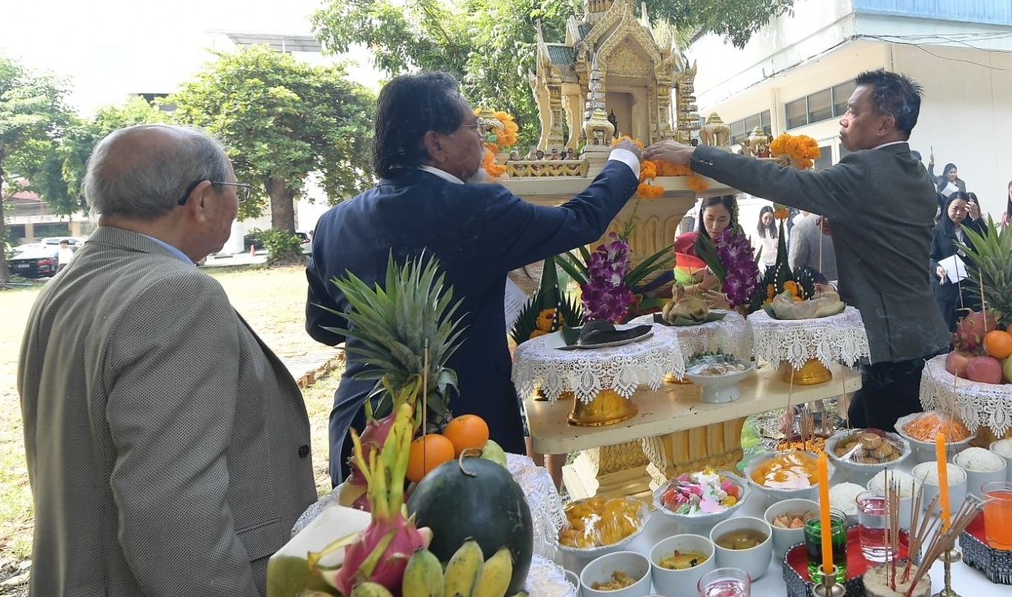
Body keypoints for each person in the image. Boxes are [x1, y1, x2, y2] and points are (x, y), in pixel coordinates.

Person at [18, 124, 316, 597]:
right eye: (234, 190)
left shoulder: (69, 285)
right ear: (202, 200)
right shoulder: (176, 294)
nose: (236, 203)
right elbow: (170, 498)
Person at [308, 71, 640, 479]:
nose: (483, 140)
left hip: (364, 432)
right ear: (436, 144)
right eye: (474, 128)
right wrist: (624, 160)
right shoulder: (476, 208)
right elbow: (580, 220)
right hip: (462, 433)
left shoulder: (332, 223)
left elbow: (322, 327)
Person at [645, 69, 951, 430]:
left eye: (854, 111)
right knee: (896, 437)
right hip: (926, 336)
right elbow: (892, 235)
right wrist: (849, 223)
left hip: (892, 350)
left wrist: (696, 155)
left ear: (885, 124)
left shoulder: (865, 170)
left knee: (887, 450)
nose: (844, 119)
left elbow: (780, 181)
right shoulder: (914, 169)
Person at [931, 195, 984, 329]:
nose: (959, 213)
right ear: (947, 208)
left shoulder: (973, 228)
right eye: (955, 209)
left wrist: (976, 218)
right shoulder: (938, 231)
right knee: (949, 331)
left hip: (971, 289)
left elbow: (986, 243)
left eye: (963, 209)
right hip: (948, 291)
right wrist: (937, 268)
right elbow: (931, 257)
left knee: (974, 331)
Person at [675, 194, 737, 286]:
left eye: (722, 220)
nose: (715, 226)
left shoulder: (738, 249)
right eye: (710, 218)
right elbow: (668, 287)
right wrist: (703, 286)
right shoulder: (684, 243)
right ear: (702, 214)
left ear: (731, 218)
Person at [790, 210, 839, 284]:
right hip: (844, 285)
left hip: (816, 286)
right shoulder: (842, 221)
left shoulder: (800, 228)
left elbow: (795, 266)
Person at [751, 204, 780, 271]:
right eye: (766, 218)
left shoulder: (776, 231)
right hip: (761, 263)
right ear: (761, 217)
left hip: (774, 262)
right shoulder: (755, 231)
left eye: (770, 218)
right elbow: (752, 248)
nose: (768, 220)